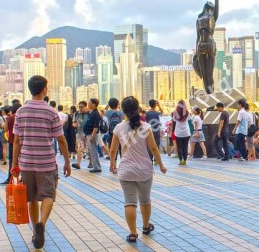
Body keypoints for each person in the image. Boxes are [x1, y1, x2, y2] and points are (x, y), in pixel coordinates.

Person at [11, 75, 72, 249]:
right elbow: (61, 140)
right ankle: (42, 224)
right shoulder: (51, 112)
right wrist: (67, 162)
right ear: (44, 89)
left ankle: (35, 229)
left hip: (26, 162)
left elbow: (16, 141)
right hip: (46, 162)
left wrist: (14, 165)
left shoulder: (21, 111)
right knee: (48, 196)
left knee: (31, 199)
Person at [109, 97, 167, 243]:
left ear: (123, 110)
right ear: (138, 109)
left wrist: (112, 163)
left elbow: (113, 149)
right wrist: (160, 165)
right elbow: (153, 148)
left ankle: (133, 233)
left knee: (129, 202)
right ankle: (146, 227)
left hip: (126, 170)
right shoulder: (146, 127)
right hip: (144, 171)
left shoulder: (119, 128)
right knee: (145, 200)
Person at [82, 98, 103, 173]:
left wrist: (92, 136)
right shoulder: (92, 112)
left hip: (92, 134)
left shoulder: (96, 114)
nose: (88, 103)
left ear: (94, 104)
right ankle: (96, 166)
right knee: (92, 151)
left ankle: (97, 167)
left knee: (93, 151)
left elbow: (96, 126)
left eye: (90, 103)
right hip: (89, 134)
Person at [172, 100, 192, 165]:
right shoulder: (187, 112)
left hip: (178, 133)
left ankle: (180, 161)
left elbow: (174, 120)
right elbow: (189, 119)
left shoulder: (175, 113)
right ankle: (185, 161)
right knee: (185, 147)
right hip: (186, 132)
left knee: (179, 147)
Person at [73, 101, 89, 170]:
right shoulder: (76, 114)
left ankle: (91, 162)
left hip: (88, 134)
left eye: (82, 107)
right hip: (79, 134)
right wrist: (74, 125)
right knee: (80, 148)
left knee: (90, 149)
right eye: (79, 107)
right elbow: (73, 123)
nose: (80, 108)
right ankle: (78, 164)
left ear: (86, 106)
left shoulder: (89, 114)